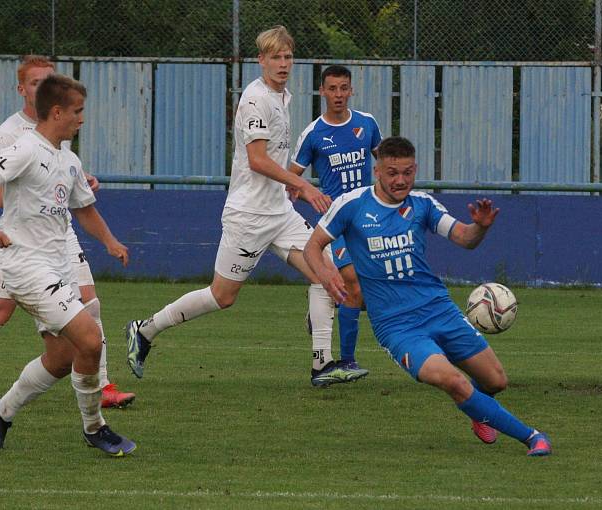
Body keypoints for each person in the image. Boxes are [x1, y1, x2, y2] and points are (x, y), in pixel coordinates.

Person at [125, 26, 365, 387]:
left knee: (327, 274)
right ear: (261, 61)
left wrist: (289, 189)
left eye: (287, 57)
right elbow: (256, 159)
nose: (283, 64)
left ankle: (322, 364)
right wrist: (300, 183)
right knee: (222, 296)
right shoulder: (255, 99)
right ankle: (145, 330)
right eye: (275, 57)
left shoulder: (284, 95)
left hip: (279, 212)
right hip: (249, 216)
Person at [303, 136, 552, 456]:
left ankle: (480, 412)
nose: (400, 180)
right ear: (377, 170)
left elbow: (463, 237)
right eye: (392, 172)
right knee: (454, 382)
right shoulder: (351, 205)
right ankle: (533, 437)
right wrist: (326, 275)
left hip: (439, 309)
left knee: (495, 381)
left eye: (407, 172)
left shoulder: (422, 204)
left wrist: (481, 227)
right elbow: (312, 246)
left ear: (415, 169)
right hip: (397, 326)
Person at [0, 55, 134, 409]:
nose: (44, 86)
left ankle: (101, 387)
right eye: (36, 82)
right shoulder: (11, 135)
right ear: (22, 89)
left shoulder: (62, 125)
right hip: (21, 241)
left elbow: (64, 183)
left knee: (90, 304)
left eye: (49, 79)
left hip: (59, 237)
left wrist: (77, 182)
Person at [288, 64, 382, 375]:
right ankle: (347, 361)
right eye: (332, 89)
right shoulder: (313, 134)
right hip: (336, 223)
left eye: (344, 88)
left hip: (368, 220)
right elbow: (291, 182)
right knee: (351, 280)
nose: (338, 95)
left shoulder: (367, 125)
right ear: (322, 91)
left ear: (351, 90)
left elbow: (385, 164)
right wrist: (311, 194)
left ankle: (321, 315)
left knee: (370, 292)